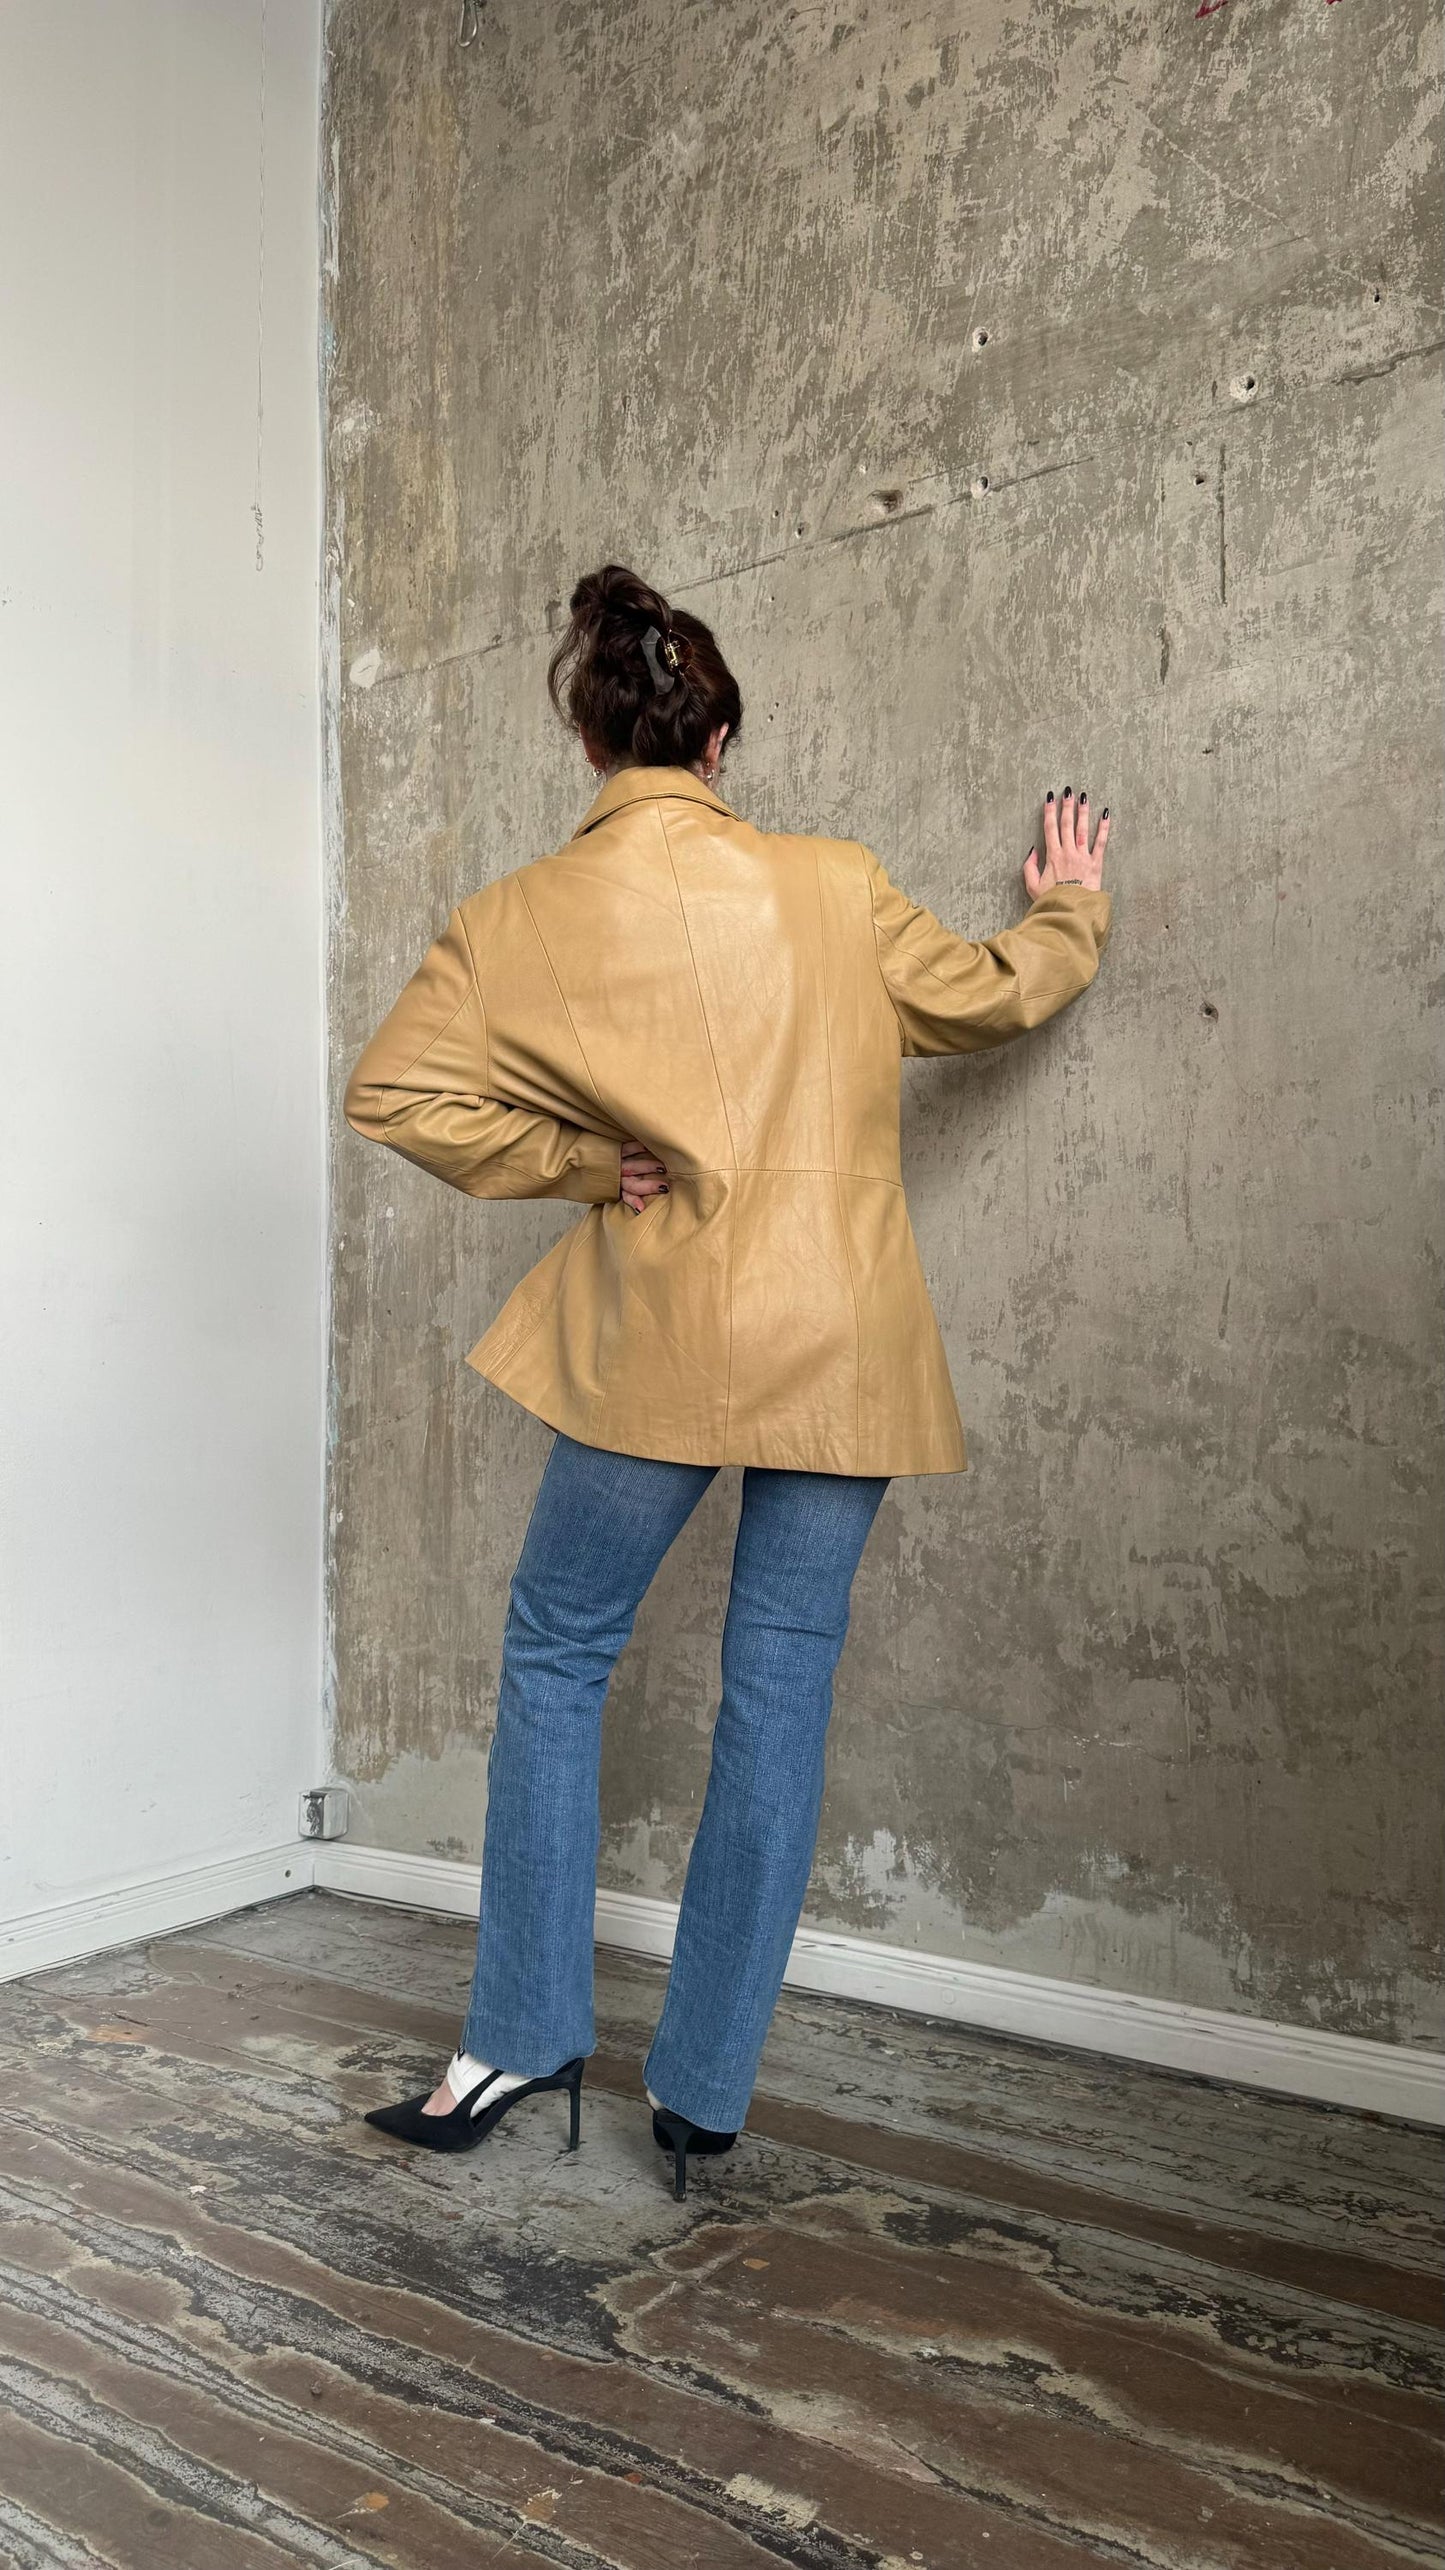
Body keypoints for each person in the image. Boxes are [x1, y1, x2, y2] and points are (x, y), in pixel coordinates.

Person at [343, 563, 1112, 2197]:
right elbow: (988, 994)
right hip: (840, 1347)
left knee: (558, 1653)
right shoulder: (830, 886)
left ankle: (519, 2035)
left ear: (589, 745)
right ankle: (700, 2097)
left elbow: (392, 1093)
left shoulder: (511, 919)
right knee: (779, 1687)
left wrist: (578, 1156)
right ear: (719, 741)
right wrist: (1068, 904)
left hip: (660, 1347)